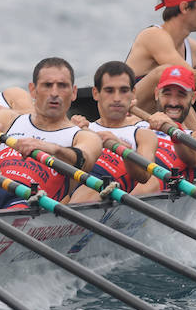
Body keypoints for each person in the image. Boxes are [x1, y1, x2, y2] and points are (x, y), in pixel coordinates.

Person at [0, 57, 102, 209]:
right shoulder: (8, 118)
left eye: (62, 86)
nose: (54, 93)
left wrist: (53, 149)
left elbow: (83, 159)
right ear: (33, 90)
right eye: (47, 85)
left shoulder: (84, 136)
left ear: (74, 92)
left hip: (31, 202)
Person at [67, 61, 159, 204]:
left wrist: (121, 146)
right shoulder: (82, 128)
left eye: (123, 90)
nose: (117, 98)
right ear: (96, 93)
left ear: (133, 93)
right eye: (109, 91)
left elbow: (145, 176)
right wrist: (69, 131)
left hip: (101, 189)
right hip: (68, 184)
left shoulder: (143, 134)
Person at [142, 64, 196, 183]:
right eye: (167, 94)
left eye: (181, 95)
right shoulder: (136, 123)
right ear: (157, 94)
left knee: (151, 181)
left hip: (154, 189)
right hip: (114, 178)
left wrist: (175, 130)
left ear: (193, 98)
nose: (173, 102)